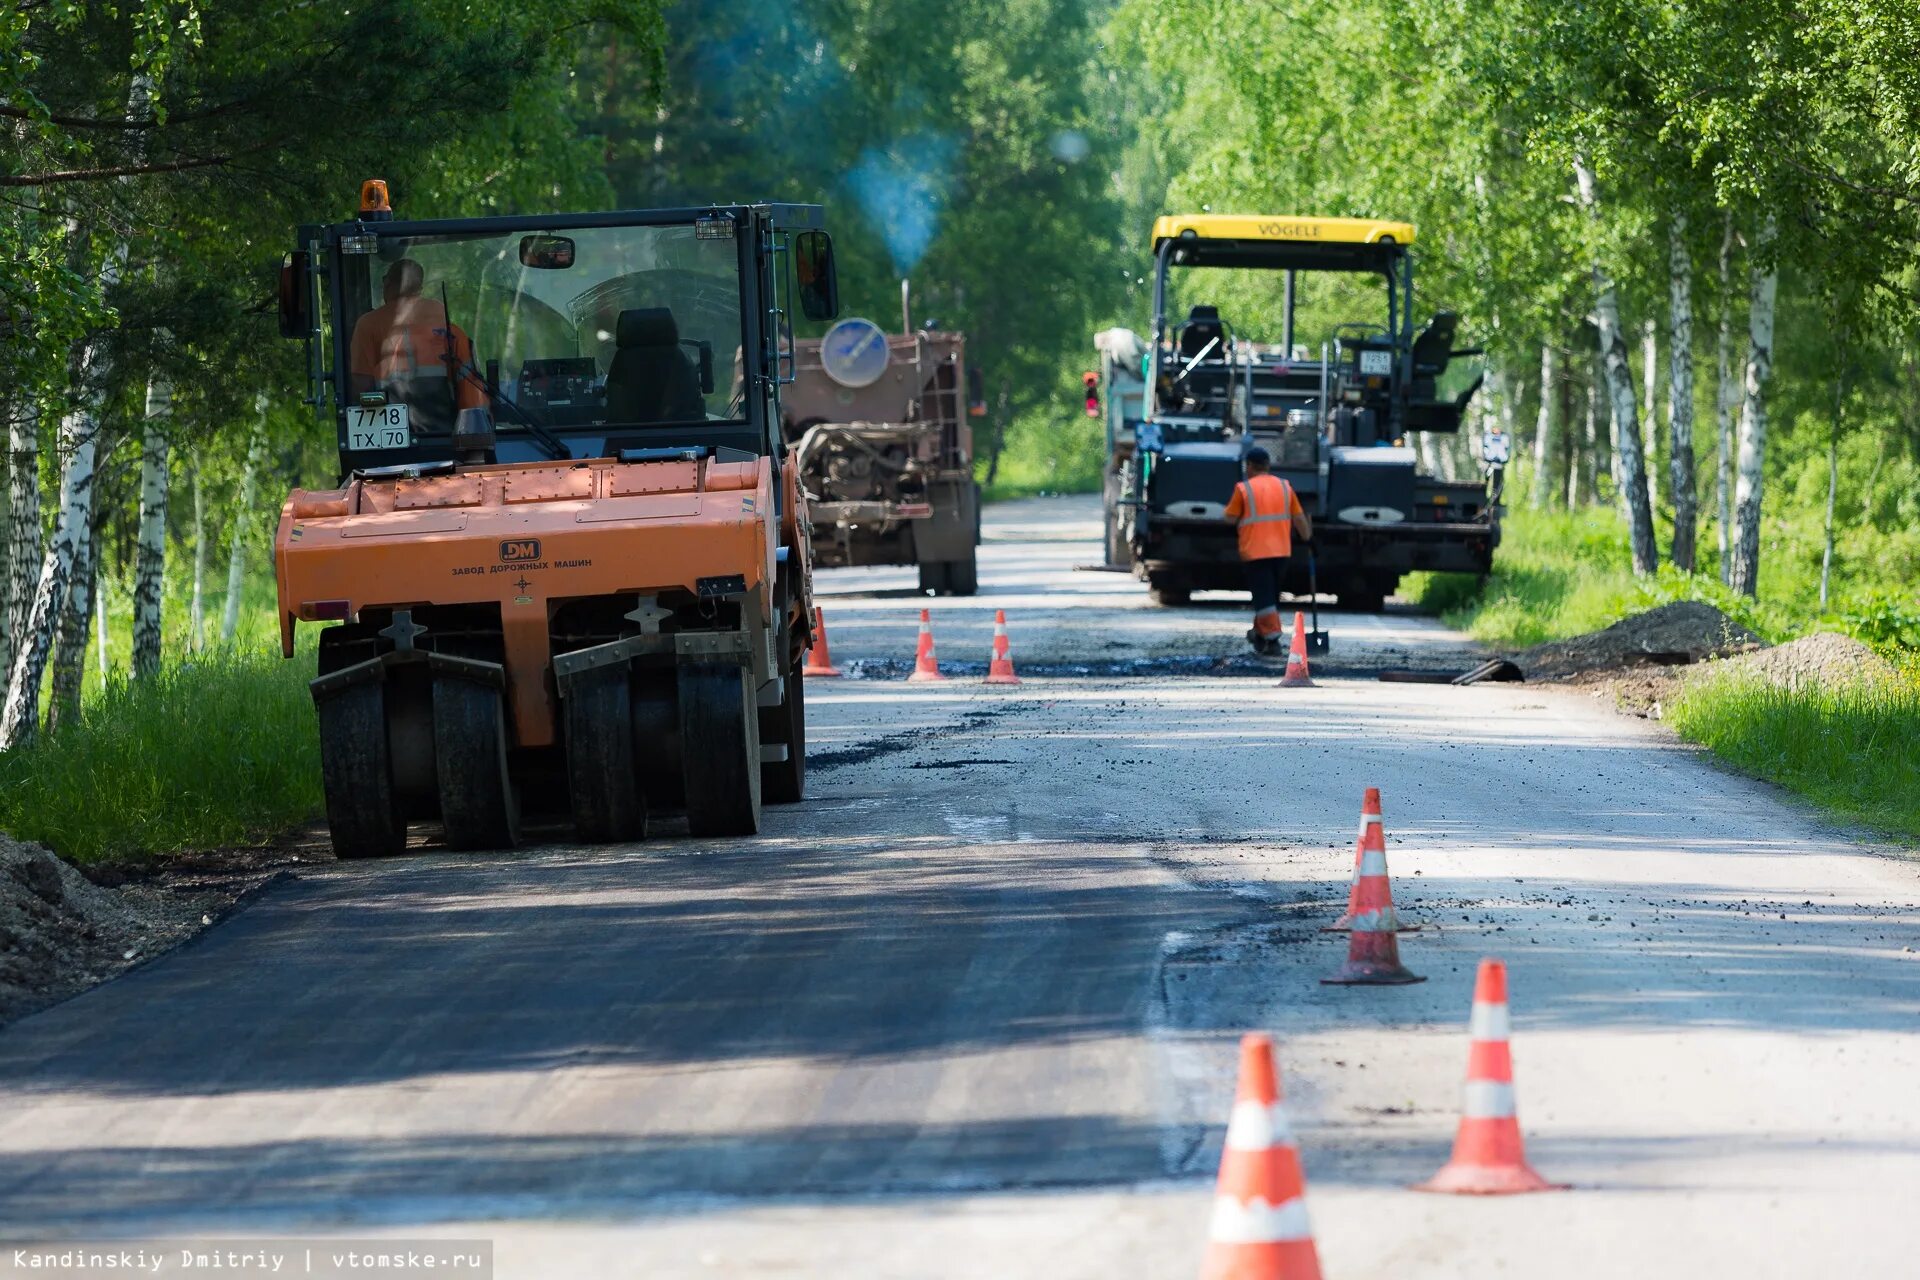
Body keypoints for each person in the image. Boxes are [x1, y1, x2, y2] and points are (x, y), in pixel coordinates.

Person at [349, 258, 486, 417]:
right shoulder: (451, 332)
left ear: (387, 283)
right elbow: (472, 396)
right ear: (419, 289)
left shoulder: (368, 325)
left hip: (388, 432)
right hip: (445, 431)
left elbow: (361, 388)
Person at [1223, 446, 1311, 655]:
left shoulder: (1244, 489)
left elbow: (1229, 517)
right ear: (1268, 466)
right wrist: (1308, 539)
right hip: (1281, 551)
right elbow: (1299, 517)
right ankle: (1259, 633)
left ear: (1250, 466)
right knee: (1269, 595)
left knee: (1264, 597)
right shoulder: (1284, 486)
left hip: (1255, 551)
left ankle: (1272, 639)